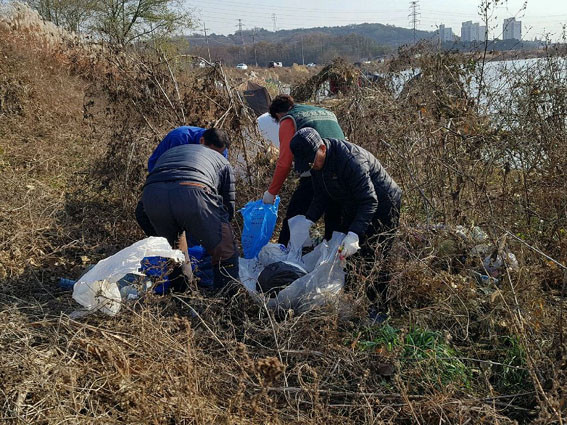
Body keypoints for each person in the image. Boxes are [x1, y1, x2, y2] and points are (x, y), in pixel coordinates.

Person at [288, 127, 402, 307]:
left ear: (322, 148)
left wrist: (354, 234)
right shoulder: (316, 163)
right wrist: (307, 220)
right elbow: (321, 195)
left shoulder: (350, 160)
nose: (311, 167)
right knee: (345, 254)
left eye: (310, 162)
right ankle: (351, 299)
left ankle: (380, 307)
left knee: (375, 254)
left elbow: (369, 200)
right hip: (352, 202)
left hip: (383, 204)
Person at [141, 130, 239, 292]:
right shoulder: (222, 161)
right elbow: (228, 205)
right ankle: (229, 298)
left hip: (152, 195)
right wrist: (219, 232)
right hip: (192, 191)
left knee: (176, 251)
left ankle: (182, 295)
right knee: (226, 248)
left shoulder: (175, 148)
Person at [261, 95, 345, 245]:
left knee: (296, 213)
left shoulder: (288, 120)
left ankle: (283, 249)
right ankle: (332, 251)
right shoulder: (325, 112)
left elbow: (284, 162)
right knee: (334, 216)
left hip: (318, 167)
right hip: (344, 168)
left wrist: (272, 192)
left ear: (278, 115)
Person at [136, 126, 229, 237]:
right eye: (211, 153)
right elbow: (170, 171)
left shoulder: (221, 151)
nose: (213, 157)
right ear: (202, 141)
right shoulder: (180, 138)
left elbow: (219, 180)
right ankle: (165, 242)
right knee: (143, 213)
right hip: (164, 178)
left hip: (196, 186)